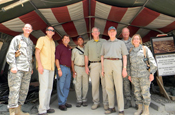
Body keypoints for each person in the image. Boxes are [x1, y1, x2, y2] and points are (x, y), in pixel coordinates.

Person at [6, 23, 34, 115]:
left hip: (27, 70)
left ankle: (18, 110)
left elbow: (30, 57)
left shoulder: (30, 43)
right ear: (23, 29)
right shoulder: (17, 39)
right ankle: (12, 112)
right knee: (15, 89)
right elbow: (10, 52)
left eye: (29, 28)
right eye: (26, 27)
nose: (27, 29)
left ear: (31, 30)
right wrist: (13, 66)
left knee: (24, 90)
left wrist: (31, 68)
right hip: (17, 69)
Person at [101, 26, 128, 115]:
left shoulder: (121, 43)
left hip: (117, 63)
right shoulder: (105, 43)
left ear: (116, 33)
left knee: (119, 87)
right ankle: (111, 107)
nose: (112, 33)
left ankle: (121, 109)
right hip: (107, 63)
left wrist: (124, 68)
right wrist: (103, 68)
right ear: (108, 33)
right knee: (109, 87)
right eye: (110, 31)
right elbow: (102, 56)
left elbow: (124, 56)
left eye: (113, 31)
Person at [128, 34, 157, 115]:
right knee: (136, 92)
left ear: (140, 40)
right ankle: (140, 108)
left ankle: (146, 110)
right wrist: (129, 75)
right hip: (134, 76)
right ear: (132, 41)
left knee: (145, 92)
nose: (136, 40)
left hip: (144, 75)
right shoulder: (131, 51)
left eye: (137, 39)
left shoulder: (145, 49)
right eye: (134, 39)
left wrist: (152, 73)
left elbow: (152, 61)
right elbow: (129, 64)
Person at [84, 27, 108, 110]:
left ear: (99, 32)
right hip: (93, 65)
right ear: (92, 34)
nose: (95, 33)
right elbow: (86, 56)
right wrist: (86, 66)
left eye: (97, 31)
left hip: (103, 65)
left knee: (105, 84)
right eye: (94, 32)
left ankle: (105, 102)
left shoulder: (104, 41)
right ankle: (96, 102)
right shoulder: (88, 44)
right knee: (95, 85)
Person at [35, 26, 56, 115]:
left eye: (52, 30)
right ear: (46, 31)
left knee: (49, 88)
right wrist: (39, 65)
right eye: (49, 30)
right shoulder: (42, 39)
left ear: (54, 33)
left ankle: (46, 107)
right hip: (43, 67)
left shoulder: (53, 42)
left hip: (51, 67)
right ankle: (42, 110)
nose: (50, 31)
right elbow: (37, 52)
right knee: (43, 88)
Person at [55, 35, 72, 111]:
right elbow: (56, 59)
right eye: (65, 38)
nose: (66, 39)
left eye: (67, 38)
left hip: (68, 69)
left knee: (67, 86)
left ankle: (64, 102)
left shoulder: (69, 48)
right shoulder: (59, 47)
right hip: (62, 67)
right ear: (62, 40)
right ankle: (61, 103)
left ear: (69, 40)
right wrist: (59, 69)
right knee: (60, 86)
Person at [71, 36, 89, 107]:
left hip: (85, 68)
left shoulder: (86, 49)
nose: (80, 41)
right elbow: (72, 60)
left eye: (81, 40)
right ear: (77, 42)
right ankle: (79, 100)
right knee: (78, 85)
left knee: (85, 85)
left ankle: (84, 99)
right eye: (79, 40)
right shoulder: (74, 50)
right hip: (77, 67)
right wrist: (73, 70)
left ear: (83, 41)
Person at [121, 27, 135, 109]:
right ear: (122, 34)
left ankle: (136, 101)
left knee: (134, 84)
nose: (125, 33)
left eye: (126, 32)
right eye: (124, 32)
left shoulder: (133, 41)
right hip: (124, 66)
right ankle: (128, 101)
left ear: (129, 32)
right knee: (125, 84)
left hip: (133, 65)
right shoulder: (120, 42)